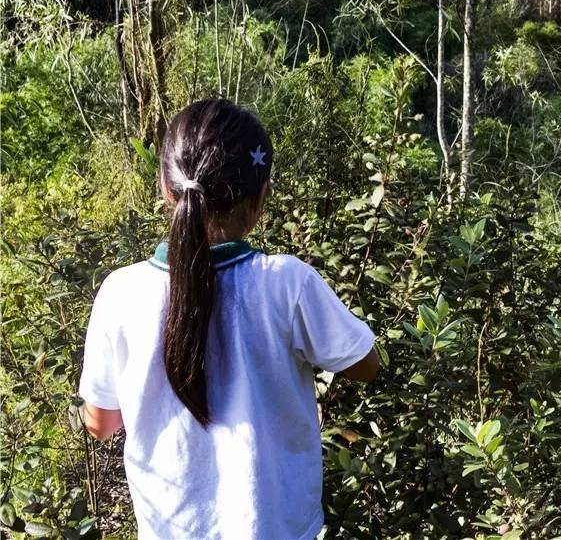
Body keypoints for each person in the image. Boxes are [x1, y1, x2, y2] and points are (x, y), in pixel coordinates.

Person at [78, 98, 380, 539]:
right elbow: (365, 364)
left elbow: (101, 424)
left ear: (165, 188)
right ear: (261, 196)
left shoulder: (120, 292)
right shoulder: (286, 283)